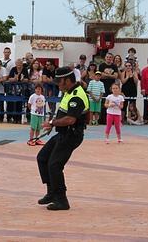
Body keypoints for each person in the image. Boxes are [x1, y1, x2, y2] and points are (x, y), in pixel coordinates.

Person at [36, 66, 89, 211]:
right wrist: (53, 125)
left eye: (59, 82)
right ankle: (51, 193)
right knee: (42, 158)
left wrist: (52, 123)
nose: (58, 84)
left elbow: (70, 119)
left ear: (67, 80)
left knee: (54, 165)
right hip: (63, 133)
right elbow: (62, 113)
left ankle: (62, 200)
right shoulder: (68, 92)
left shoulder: (77, 96)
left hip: (72, 135)